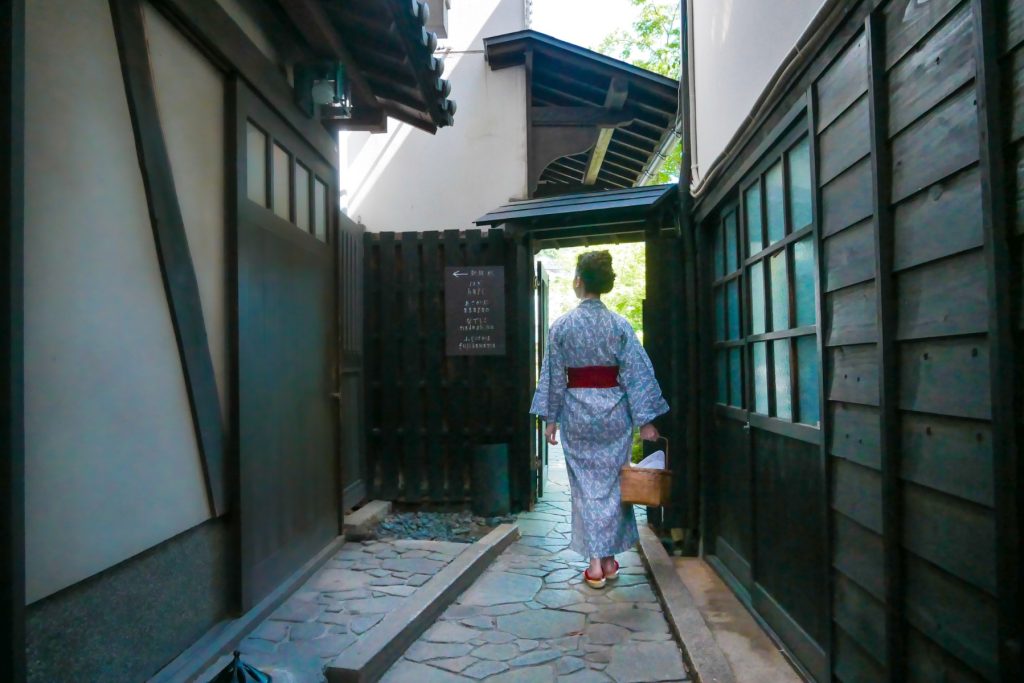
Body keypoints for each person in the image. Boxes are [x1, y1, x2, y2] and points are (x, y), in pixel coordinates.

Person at [530, 250, 669, 588]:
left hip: (577, 413)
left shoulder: (561, 326)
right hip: (614, 414)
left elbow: (552, 376)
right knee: (611, 486)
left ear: (579, 282)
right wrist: (646, 420)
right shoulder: (619, 325)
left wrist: (551, 419)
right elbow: (637, 373)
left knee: (586, 489)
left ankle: (595, 564)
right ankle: (608, 559)